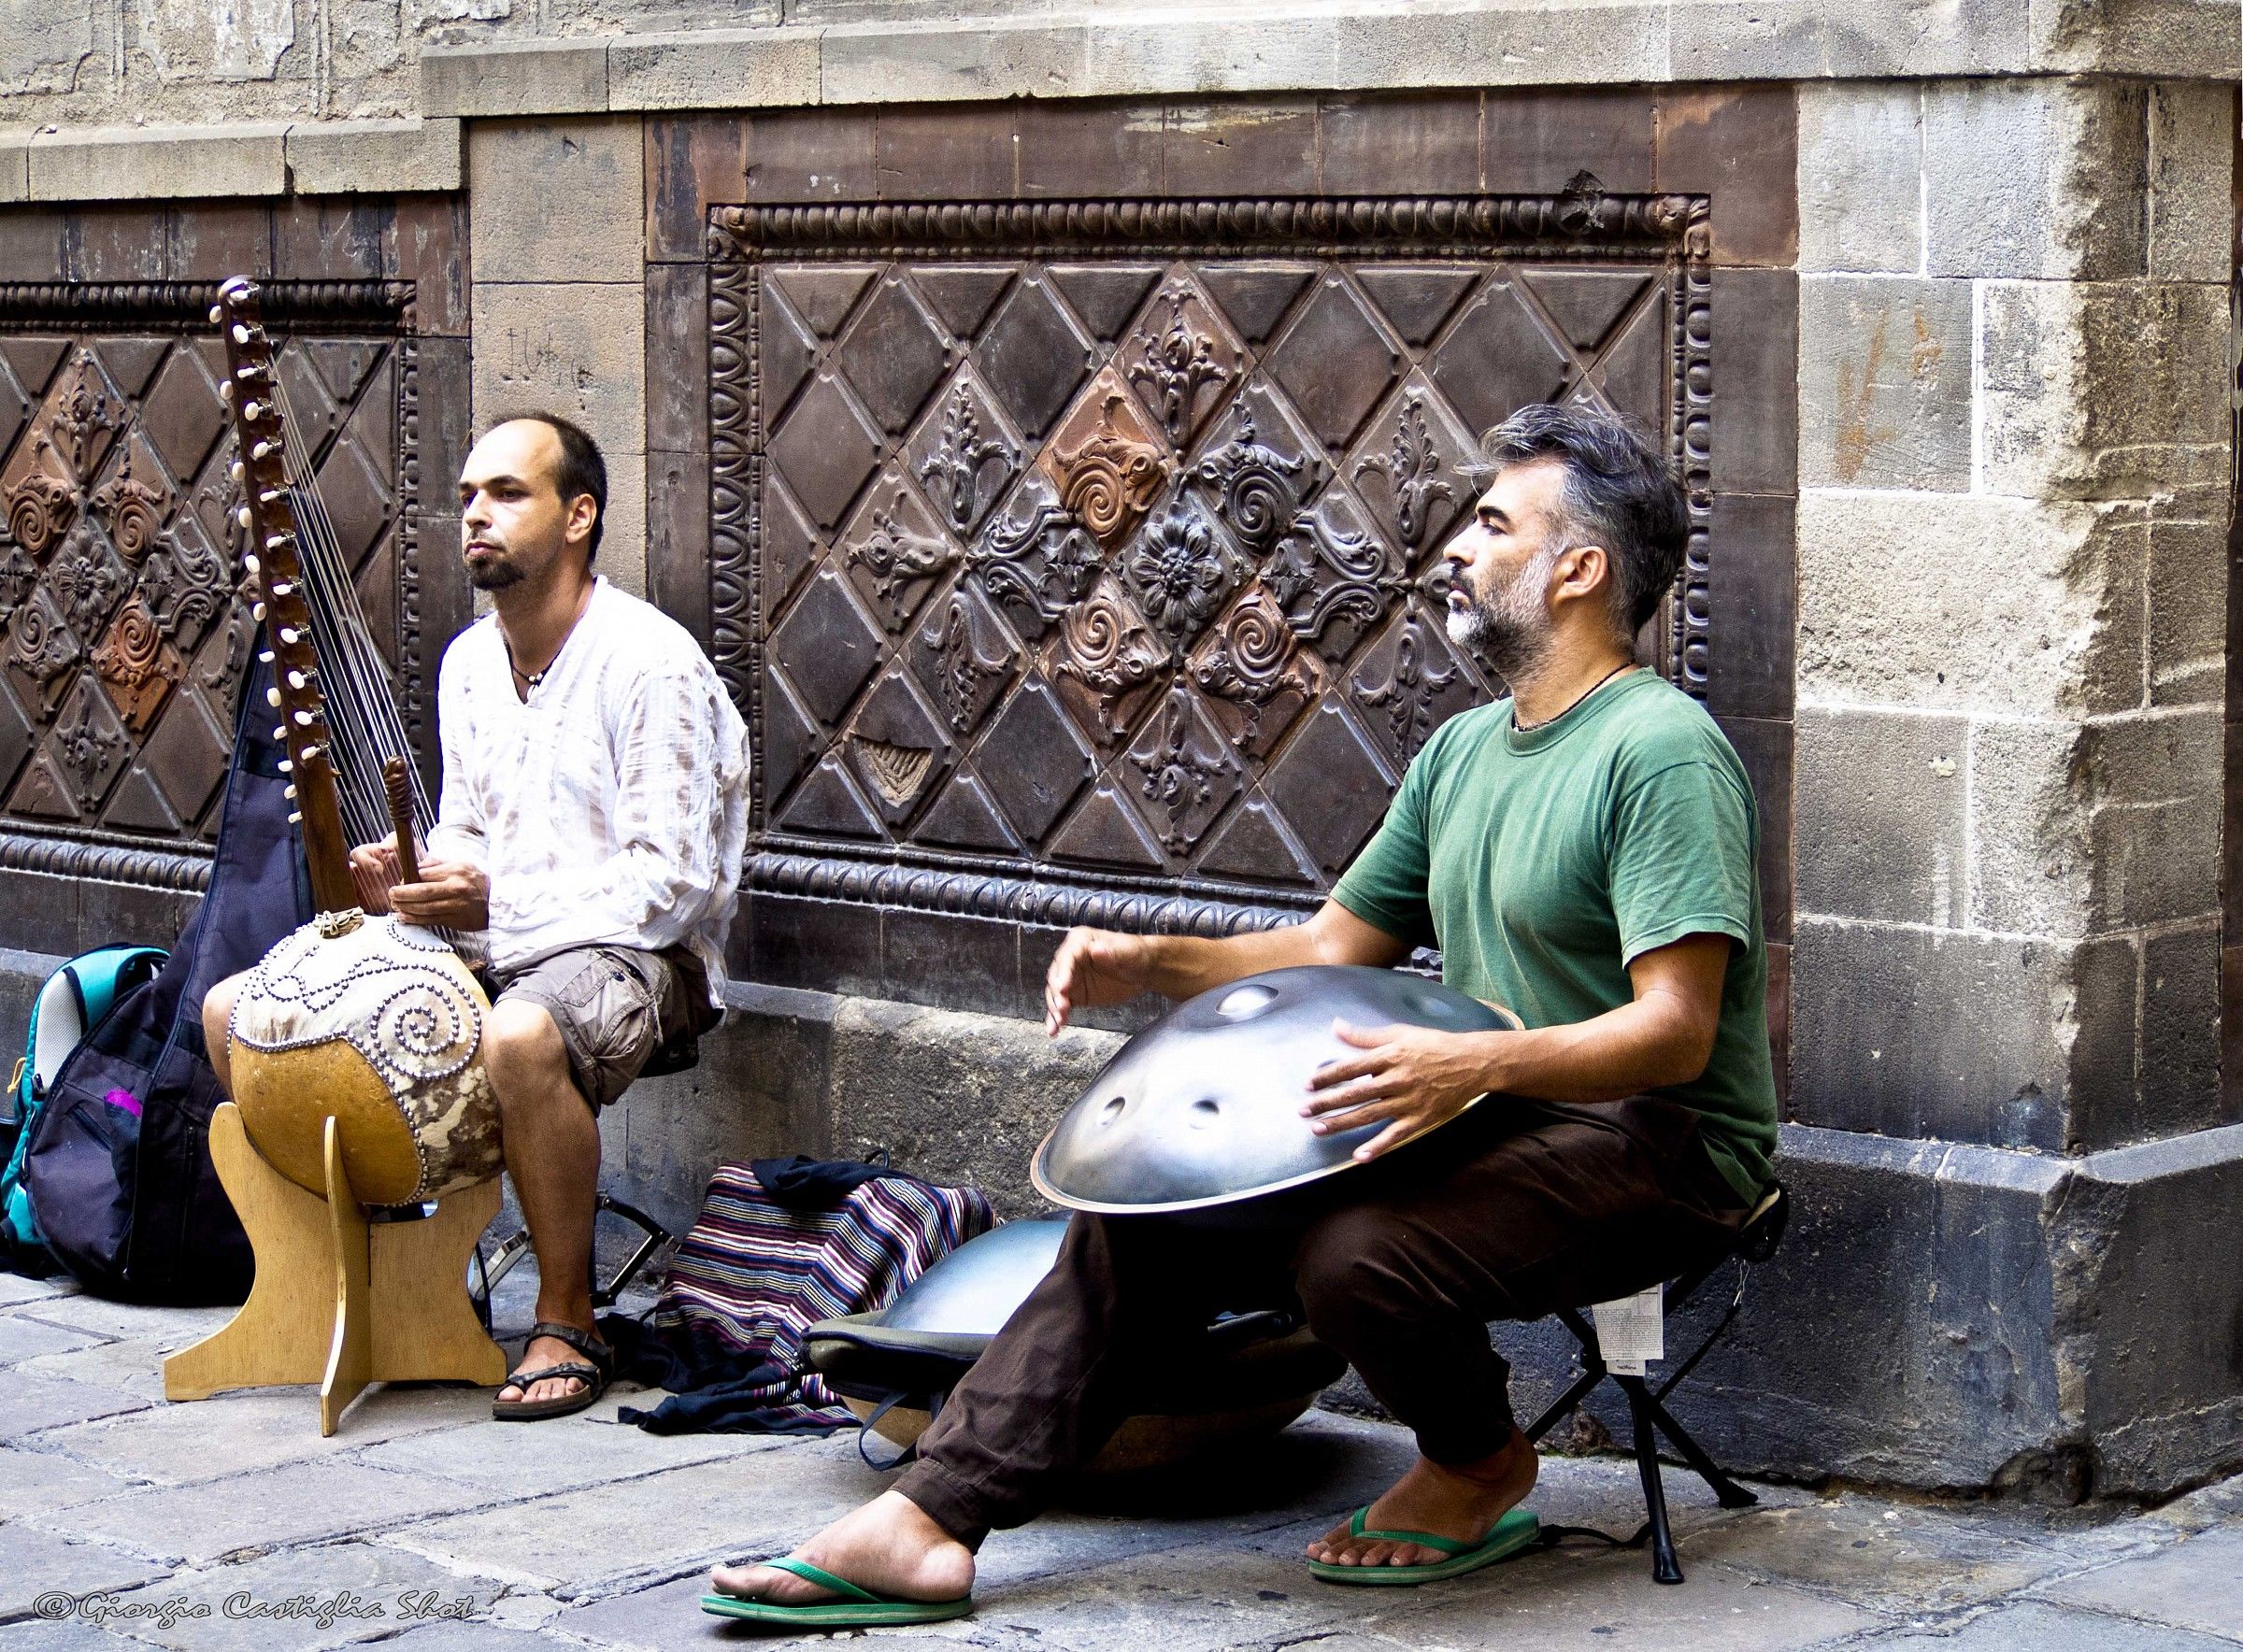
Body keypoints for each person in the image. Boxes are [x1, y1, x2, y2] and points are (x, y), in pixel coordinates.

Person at [705, 399, 1779, 1627]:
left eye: (1492, 526)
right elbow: (1331, 946)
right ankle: (929, 1521)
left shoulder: (1660, 751)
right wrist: (1148, 960)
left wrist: (1474, 1067)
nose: (1459, 551)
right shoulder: (1466, 752)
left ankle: (1480, 1463)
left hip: (1663, 1142)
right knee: (1146, 1215)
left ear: (1579, 570)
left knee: (1350, 1250)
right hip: (1491, 1110)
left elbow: (1677, 1031)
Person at [202, 412, 751, 1422]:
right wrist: (415, 874)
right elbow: (470, 831)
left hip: (642, 959)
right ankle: (370, 1293)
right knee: (238, 1012)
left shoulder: (650, 665)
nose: (475, 516)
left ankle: (567, 1315)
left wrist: (495, 901)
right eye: (464, 498)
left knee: (521, 1029)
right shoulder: (466, 662)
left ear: (579, 515)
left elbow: (671, 886)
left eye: (506, 492)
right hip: (496, 936)